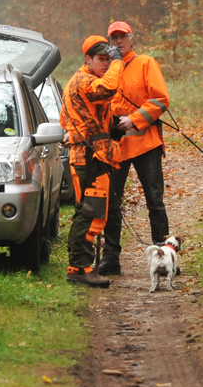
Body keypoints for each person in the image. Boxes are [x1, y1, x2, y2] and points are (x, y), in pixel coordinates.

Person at [97, 21, 171, 276]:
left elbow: (161, 99)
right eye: (113, 38)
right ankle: (111, 259)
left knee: (154, 199)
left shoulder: (146, 63)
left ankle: (164, 257)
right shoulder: (103, 69)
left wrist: (134, 119)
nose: (118, 42)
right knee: (111, 202)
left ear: (131, 38)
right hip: (116, 145)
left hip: (145, 143)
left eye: (122, 37)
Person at [60, 35, 124, 287]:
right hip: (87, 156)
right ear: (88, 59)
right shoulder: (84, 80)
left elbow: (75, 118)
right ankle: (78, 268)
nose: (107, 64)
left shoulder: (86, 81)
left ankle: (81, 266)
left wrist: (110, 128)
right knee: (89, 212)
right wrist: (119, 61)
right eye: (102, 59)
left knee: (91, 211)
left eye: (109, 59)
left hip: (93, 153)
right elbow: (108, 88)